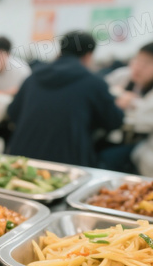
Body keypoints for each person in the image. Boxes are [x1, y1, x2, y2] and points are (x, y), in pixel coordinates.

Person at [7, 31, 124, 167]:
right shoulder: (94, 83)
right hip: (68, 165)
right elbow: (114, 122)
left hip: (20, 161)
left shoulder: (33, 78)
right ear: (88, 55)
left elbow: (12, 113)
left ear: (61, 50)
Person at [101, 41, 153, 175]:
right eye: (137, 60)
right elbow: (100, 92)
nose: (138, 67)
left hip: (138, 146)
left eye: (147, 63)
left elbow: (147, 121)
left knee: (109, 159)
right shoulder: (122, 76)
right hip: (110, 135)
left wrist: (134, 103)